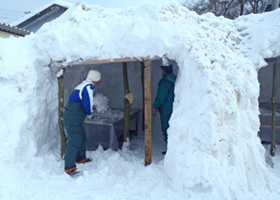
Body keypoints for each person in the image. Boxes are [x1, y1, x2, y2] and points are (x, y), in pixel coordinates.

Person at [63, 70, 101, 176]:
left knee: (81, 136)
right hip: (73, 116)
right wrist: (89, 113)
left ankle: (80, 158)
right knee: (74, 140)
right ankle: (69, 167)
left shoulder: (84, 85)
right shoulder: (88, 87)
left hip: (74, 115)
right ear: (95, 80)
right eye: (98, 80)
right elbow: (87, 101)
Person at [152, 64, 176, 154]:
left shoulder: (165, 82)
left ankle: (170, 150)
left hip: (166, 108)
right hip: (174, 107)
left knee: (166, 127)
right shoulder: (175, 79)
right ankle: (173, 147)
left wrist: (155, 107)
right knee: (173, 127)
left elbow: (161, 97)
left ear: (164, 71)